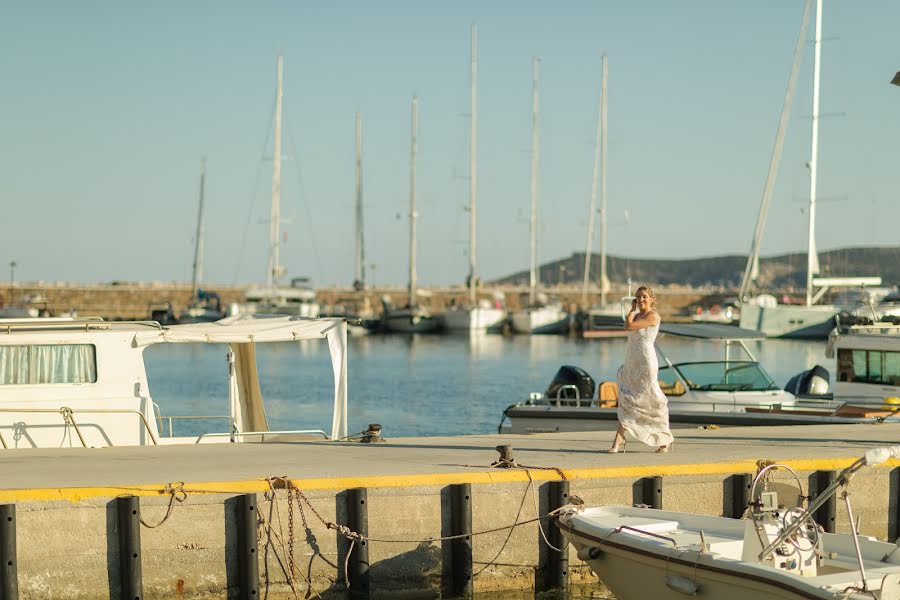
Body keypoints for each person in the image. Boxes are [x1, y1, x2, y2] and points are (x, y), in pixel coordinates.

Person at [607, 286, 674, 453]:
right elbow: (628, 325)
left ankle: (664, 439)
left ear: (651, 299)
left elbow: (629, 327)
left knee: (652, 400)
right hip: (631, 361)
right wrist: (632, 310)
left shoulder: (653, 316)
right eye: (638, 297)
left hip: (646, 362)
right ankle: (619, 440)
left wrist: (630, 311)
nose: (641, 299)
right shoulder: (636, 315)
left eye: (644, 296)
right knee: (627, 399)